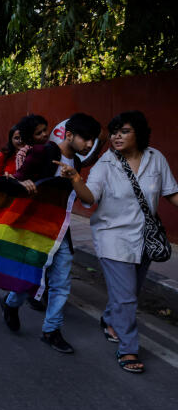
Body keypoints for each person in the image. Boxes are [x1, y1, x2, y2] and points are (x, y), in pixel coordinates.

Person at [63, 111, 178, 373]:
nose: (116, 136)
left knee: (130, 292)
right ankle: (128, 349)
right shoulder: (106, 164)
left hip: (144, 238)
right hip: (112, 236)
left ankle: (110, 319)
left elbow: (171, 193)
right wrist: (75, 180)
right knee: (126, 296)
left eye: (124, 131)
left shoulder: (155, 158)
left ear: (139, 133)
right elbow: (90, 198)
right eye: (114, 131)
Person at [0, 113, 101, 353]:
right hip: (35, 228)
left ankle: (51, 330)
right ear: (69, 135)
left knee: (61, 282)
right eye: (85, 138)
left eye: (92, 140)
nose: (89, 144)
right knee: (31, 279)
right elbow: (17, 182)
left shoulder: (75, 161)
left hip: (61, 231)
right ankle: (11, 303)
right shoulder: (44, 152)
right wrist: (23, 185)